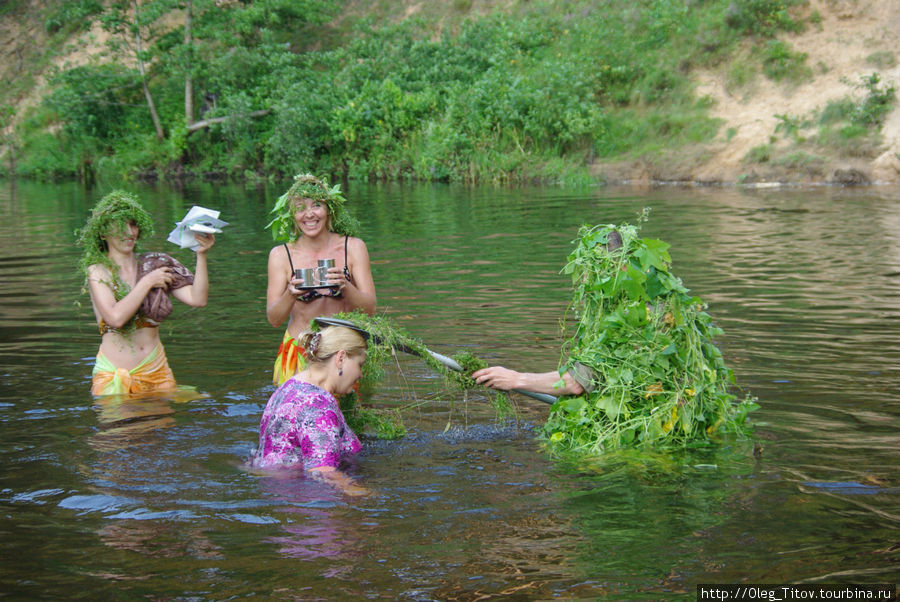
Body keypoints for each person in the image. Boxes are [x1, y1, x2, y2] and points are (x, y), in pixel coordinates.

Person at [77, 190, 215, 396]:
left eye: (133, 224)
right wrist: (148, 282)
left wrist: (200, 255)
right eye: (120, 225)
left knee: (163, 427)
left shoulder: (156, 264)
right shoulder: (97, 270)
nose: (129, 231)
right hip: (114, 374)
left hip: (156, 370)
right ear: (103, 232)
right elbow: (115, 318)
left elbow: (198, 299)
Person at [265, 174, 376, 385]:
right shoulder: (280, 255)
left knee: (349, 417)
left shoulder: (353, 247)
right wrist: (290, 294)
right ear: (292, 214)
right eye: (300, 208)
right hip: (300, 352)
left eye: (316, 205)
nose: (309, 214)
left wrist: (346, 287)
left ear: (329, 210)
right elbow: (274, 319)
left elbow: (370, 309)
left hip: (343, 353)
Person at [249, 325, 370, 496]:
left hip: (281, 493)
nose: (360, 374)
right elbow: (321, 470)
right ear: (341, 358)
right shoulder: (318, 404)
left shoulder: (288, 387)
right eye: (360, 364)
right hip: (312, 503)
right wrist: (364, 495)